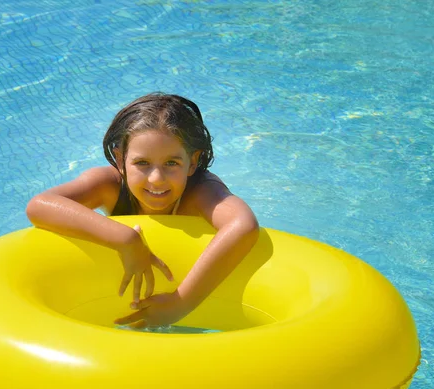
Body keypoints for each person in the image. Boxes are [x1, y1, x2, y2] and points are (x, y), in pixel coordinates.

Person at [26, 93, 259, 329]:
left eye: (171, 163)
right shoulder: (109, 185)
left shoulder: (201, 192)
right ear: (119, 160)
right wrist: (126, 239)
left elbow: (243, 225)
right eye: (142, 163)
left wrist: (180, 304)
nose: (156, 179)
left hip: (195, 306)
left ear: (193, 162)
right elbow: (40, 205)